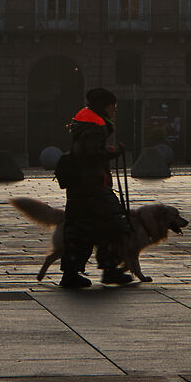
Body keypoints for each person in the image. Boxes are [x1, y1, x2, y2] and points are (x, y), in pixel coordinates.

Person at [54, 88, 134, 290]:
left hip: (80, 189)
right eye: (112, 106)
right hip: (93, 188)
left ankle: (71, 274)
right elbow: (91, 155)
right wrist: (115, 151)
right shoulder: (94, 126)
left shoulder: (84, 121)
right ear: (103, 106)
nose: (114, 110)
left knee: (79, 231)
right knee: (113, 225)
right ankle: (110, 270)